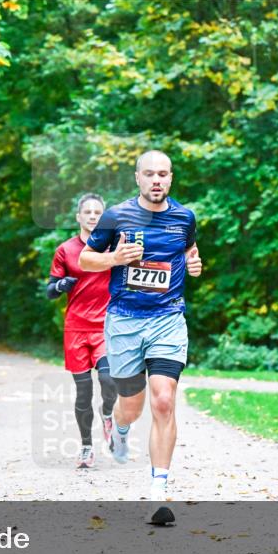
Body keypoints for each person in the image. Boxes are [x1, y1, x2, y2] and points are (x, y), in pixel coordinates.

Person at [79, 150, 202, 524]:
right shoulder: (117, 215)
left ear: (171, 178)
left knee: (163, 400)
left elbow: (189, 251)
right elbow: (86, 259)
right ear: (137, 178)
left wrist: (195, 263)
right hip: (125, 322)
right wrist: (115, 259)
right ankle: (118, 427)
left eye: (163, 174)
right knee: (131, 407)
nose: (156, 180)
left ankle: (158, 492)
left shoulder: (185, 217)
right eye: (149, 174)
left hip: (167, 319)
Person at [47, 193, 117, 469]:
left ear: (104, 218)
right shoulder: (65, 250)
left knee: (110, 380)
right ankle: (87, 447)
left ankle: (108, 413)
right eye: (87, 212)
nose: (92, 216)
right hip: (75, 328)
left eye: (97, 212)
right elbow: (50, 291)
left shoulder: (112, 249)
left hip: (104, 326)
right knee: (83, 393)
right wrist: (61, 285)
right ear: (78, 217)